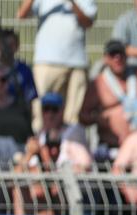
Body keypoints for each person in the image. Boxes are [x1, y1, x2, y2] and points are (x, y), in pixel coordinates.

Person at [16, 0, 97, 131]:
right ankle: (41, 145)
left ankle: (69, 146)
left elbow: (88, 22)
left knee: (73, 117)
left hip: (76, 63)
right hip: (46, 61)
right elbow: (22, 14)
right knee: (41, 112)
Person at [79, 40, 137, 161]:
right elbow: (82, 116)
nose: (117, 58)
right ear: (106, 59)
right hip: (111, 147)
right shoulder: (98, 84)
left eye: (120, 54)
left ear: (126, 56)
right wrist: (99, 118)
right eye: (113, 55)